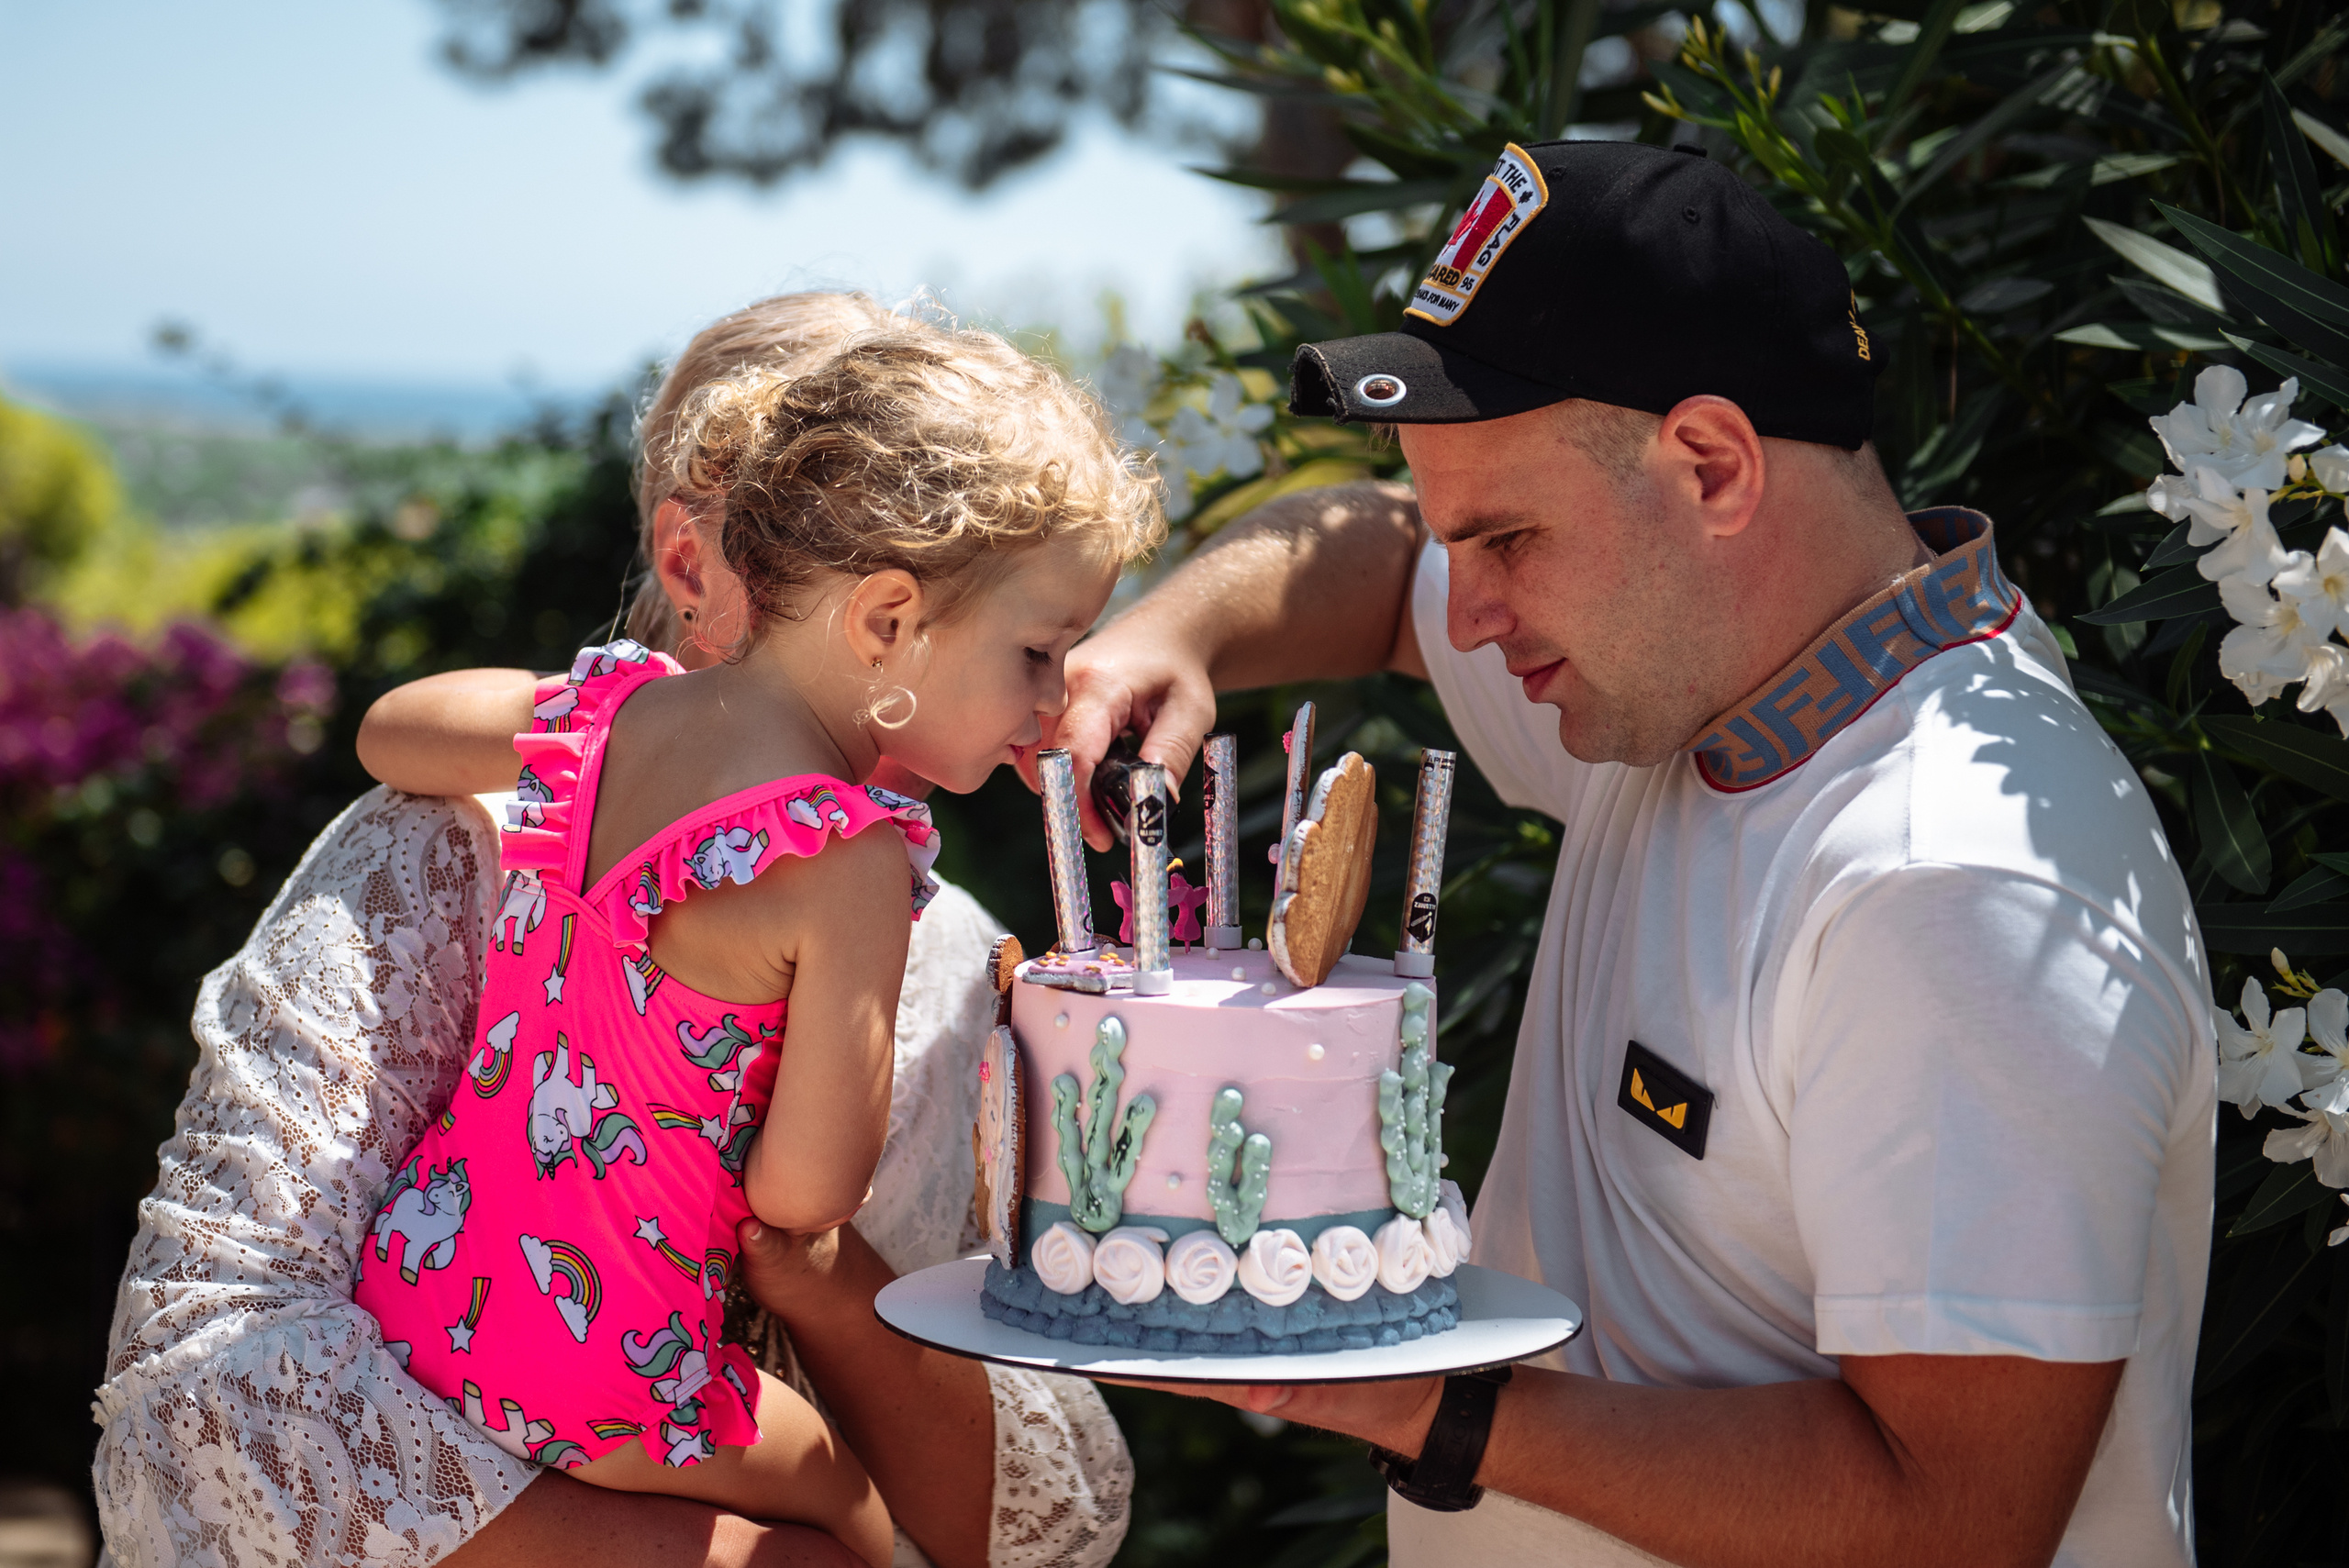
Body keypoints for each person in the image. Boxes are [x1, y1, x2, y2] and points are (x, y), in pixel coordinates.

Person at [1048, 139, 2214, 1568]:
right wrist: (1180, 632)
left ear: (1712, 466)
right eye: (1457, 535)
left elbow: (1955, 1518)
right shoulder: (1685, 679)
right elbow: (1371, 570)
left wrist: (1435, 1407)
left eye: (1507, 537)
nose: (1463, 612)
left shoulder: (1949, 882)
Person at [93, 295, 1138, 1568]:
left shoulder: (587, 735)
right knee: (854, 1528)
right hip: (621, 1370)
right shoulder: (842, 865)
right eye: (1037, 648)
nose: (1058, 695)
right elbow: (799, 1203)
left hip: (443, 1294)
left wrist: (580, 728)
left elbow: (392, 725)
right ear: (876, 612)